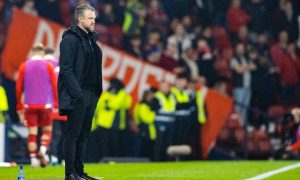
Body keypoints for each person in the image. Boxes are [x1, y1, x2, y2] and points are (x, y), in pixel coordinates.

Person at [58, 4, 102, 180]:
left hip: (91, 93)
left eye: (94, 18)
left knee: (83, 135)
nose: (93, 21)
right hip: (79, 93)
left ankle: (80, 173)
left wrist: (96, 91)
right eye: (90, 18)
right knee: (73, 134)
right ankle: (70, 174)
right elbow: (66, 70)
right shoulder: (69, 39)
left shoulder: (91, 40)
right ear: (80, 19)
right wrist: (77, 94)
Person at [16, 43, 58, 168]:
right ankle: (43, 150)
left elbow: (19, 88)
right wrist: (55, 103)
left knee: (32, 133)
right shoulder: (48, 66)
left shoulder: (24, 66)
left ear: (32, 52)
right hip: (45, 105)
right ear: (42, 53)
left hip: (29, 105)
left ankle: (33, 159)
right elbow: (54, 86)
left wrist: (19, 105)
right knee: (47, 131)